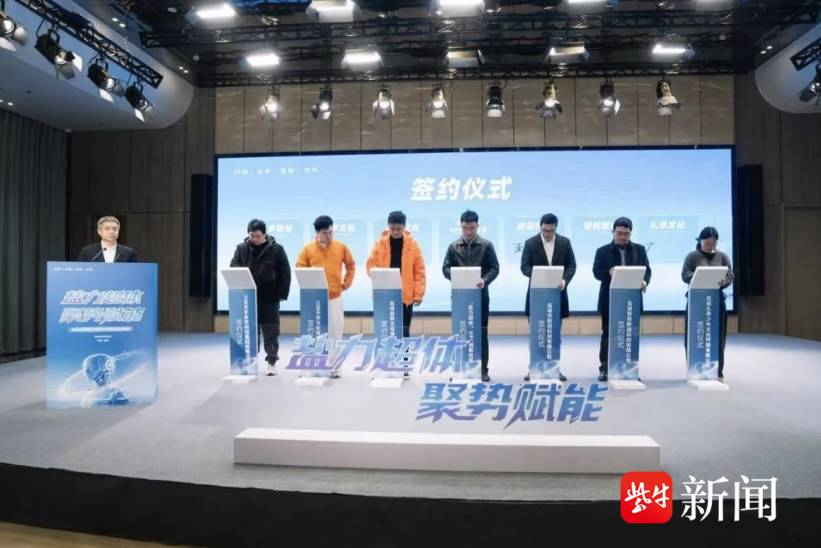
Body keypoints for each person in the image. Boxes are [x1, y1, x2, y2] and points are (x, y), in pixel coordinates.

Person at [442, 210, 500, 383]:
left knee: (481, 331)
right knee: (460, 332)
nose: (468, 232)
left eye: (472, 228)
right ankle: (459, 367)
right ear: (461, 226)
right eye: (465, 228)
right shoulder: (453, 246)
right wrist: (457, 277)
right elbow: (445, 268)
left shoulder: (486, 245)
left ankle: (482, 370)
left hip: (480, 295)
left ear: (477, 226)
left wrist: (485, 280)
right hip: (460, 296)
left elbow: (495, 268)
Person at [592, 217, 651, 382]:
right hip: (609, 300)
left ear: (630, 233)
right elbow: (596, 272)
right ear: (613, 232)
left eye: (626, 234)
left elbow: (647, 270)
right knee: (608, 334)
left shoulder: (639, 250)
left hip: (632, 300)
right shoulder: (602, 251)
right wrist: (608, 273)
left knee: (630, 335)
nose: (623, 237)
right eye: (619, 233)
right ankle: (604, 368)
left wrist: (644, 281)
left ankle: (630, 369)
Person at [520, 213, 577, 382]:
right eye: (544, 230)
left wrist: (564, 280)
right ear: (540, 227)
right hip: (536, 296)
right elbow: (524, 267)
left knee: (554, 334)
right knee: (536, 334)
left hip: (557, 294)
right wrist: (540, 276)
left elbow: (572, 265)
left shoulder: (565, 242)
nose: (547, 234)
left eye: (551, 231)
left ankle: (554, 368)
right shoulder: (530, 243)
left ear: (555, 228)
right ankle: (534, 368)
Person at [230, 219, 291, 375]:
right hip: (248, 297)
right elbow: (234, 266)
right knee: (250, 332)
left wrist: (281, 294)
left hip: (270, 297)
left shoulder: (277, 249)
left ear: (265, 234)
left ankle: (271, 362)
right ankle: (250, 361)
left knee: (271, 332)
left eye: (257, 236)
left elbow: (285, 273)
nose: (254, 239)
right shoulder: (241, 248)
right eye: (251, 236)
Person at [296, 215, 356, 376]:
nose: (329, 235)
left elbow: (351, 265)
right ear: (317, 233)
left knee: (336, 332)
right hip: (314, 298)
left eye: (331, 232)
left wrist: (346, 284)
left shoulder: (341, 247)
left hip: (334, 297)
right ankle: (311, 365)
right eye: (325, 233)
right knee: (313, 332)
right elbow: (299, 268)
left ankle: (334, 366)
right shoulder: (307, 249)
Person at [681, 226, 734, 382]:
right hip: (696, 301)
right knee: (694, 336)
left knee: (718, 337)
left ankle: (718, 372)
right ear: (700, 241)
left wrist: (724, 281)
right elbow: (684, 275)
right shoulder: (692, 256)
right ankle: (694, 370)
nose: (710, 246)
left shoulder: (723, 257)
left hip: (717, 301)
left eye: (713, 243)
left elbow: (730, 275)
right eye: (707, 243)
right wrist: (699, 276)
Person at [366, 210, 426, 338]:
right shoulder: (380, 244)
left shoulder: (413, 244)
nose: (395, 232)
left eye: (398, 229)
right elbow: (370, 266)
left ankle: (404, 352)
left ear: (404, 227)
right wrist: (379, 277)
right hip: (385, 294)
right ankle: (386, 351)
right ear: (388, 226)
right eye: (392, 228)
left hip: (406, 295)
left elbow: (419, 271)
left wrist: (419, 294)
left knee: (404, 330)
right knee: (385, 329)